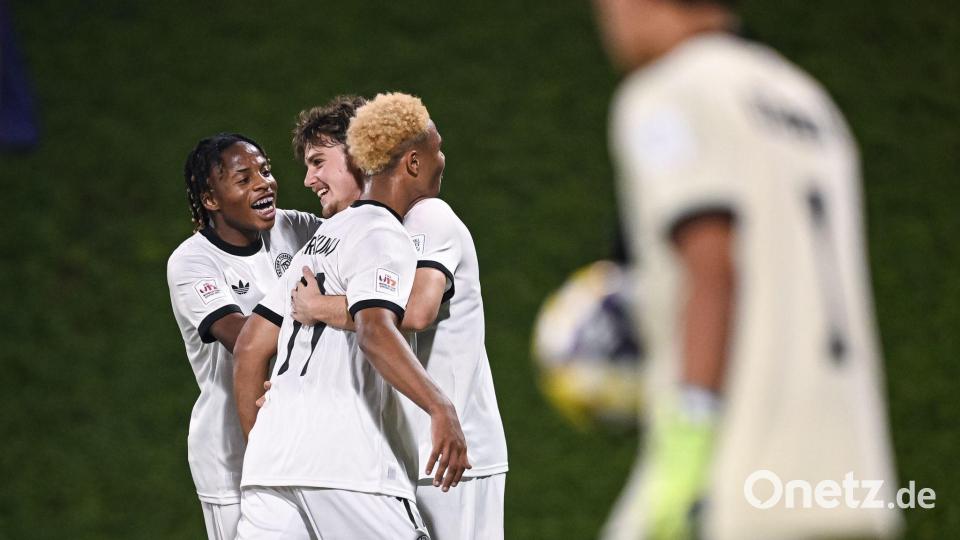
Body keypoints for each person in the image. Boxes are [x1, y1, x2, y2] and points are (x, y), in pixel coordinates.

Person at [590, 0, 903, 538]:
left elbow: (711, 268)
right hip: (854, 483)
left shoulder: (665, 94)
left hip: (740, 484)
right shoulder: (806, 98)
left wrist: (686, 446)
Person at [232, 92, 470, 539]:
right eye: (433, 152)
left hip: (271, 466)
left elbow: (249, 347)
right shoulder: (382, 231)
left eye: (318, 161)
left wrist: (271, 443)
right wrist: (440, 407)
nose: (307, 179)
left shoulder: (316, 243)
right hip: (350, 463)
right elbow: (377, 330)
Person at [289, 99, 509, 539]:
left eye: (319, 162)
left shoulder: (429, 215)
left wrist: (318, 307)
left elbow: (414, 311)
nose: (443, 159)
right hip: (403, 456)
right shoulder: (362, 235)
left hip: (453, 456)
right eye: (439, 148)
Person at [166, 133, 321, 540]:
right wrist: (320, 309)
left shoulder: (296, 228)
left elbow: (356, 241)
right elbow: (244, 340)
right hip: (232, 458)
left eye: (265, 170)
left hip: (298, 443)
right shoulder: (191, 262)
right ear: (211, 200)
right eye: (243, 177)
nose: (264, 182)